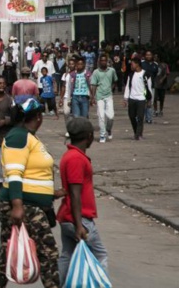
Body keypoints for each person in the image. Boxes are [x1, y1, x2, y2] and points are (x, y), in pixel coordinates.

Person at [0, 98, 61, 288]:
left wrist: (50, 193)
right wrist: (17, 206)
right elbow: (14, 173)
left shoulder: (28, 137)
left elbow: (32, 173)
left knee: (7, 253)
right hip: (24, 206)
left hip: (28, 203)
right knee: (48, 252)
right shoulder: (18, 137)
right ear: (38, 117)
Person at [57, 118, 108, 283]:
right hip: (80, 218)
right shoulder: (76, 159)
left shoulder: (70, 155)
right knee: (100, 254)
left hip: (68, 216)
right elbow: (75, 192)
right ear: (89, 136)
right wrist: (79, 225)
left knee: (67, 254)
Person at [90, 55, 117, 142]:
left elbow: (115, 80)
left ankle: (108, 129)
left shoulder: (111, 71)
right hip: (99, 96)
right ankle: (102, 135)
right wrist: (92, 97)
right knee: (101, 116)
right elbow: (94, 85)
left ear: (107, 61)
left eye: (105, 61)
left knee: (111, 116)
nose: (103, 62)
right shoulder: (96, 72)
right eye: (101, 61)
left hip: (109, 96)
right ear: (99, 62)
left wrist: (111, 88)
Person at [124, 58, 151, 141]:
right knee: (132, 116)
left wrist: (149, 99)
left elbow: (148, 88)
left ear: (137, 64)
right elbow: (128, 87)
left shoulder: (145, 75)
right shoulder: (131, 75)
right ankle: (136, 132)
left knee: (140, 117)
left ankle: (138, 135)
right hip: (132, 99)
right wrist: (125, 98)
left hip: (141, 99)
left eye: (132, 64)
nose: (131, 66)